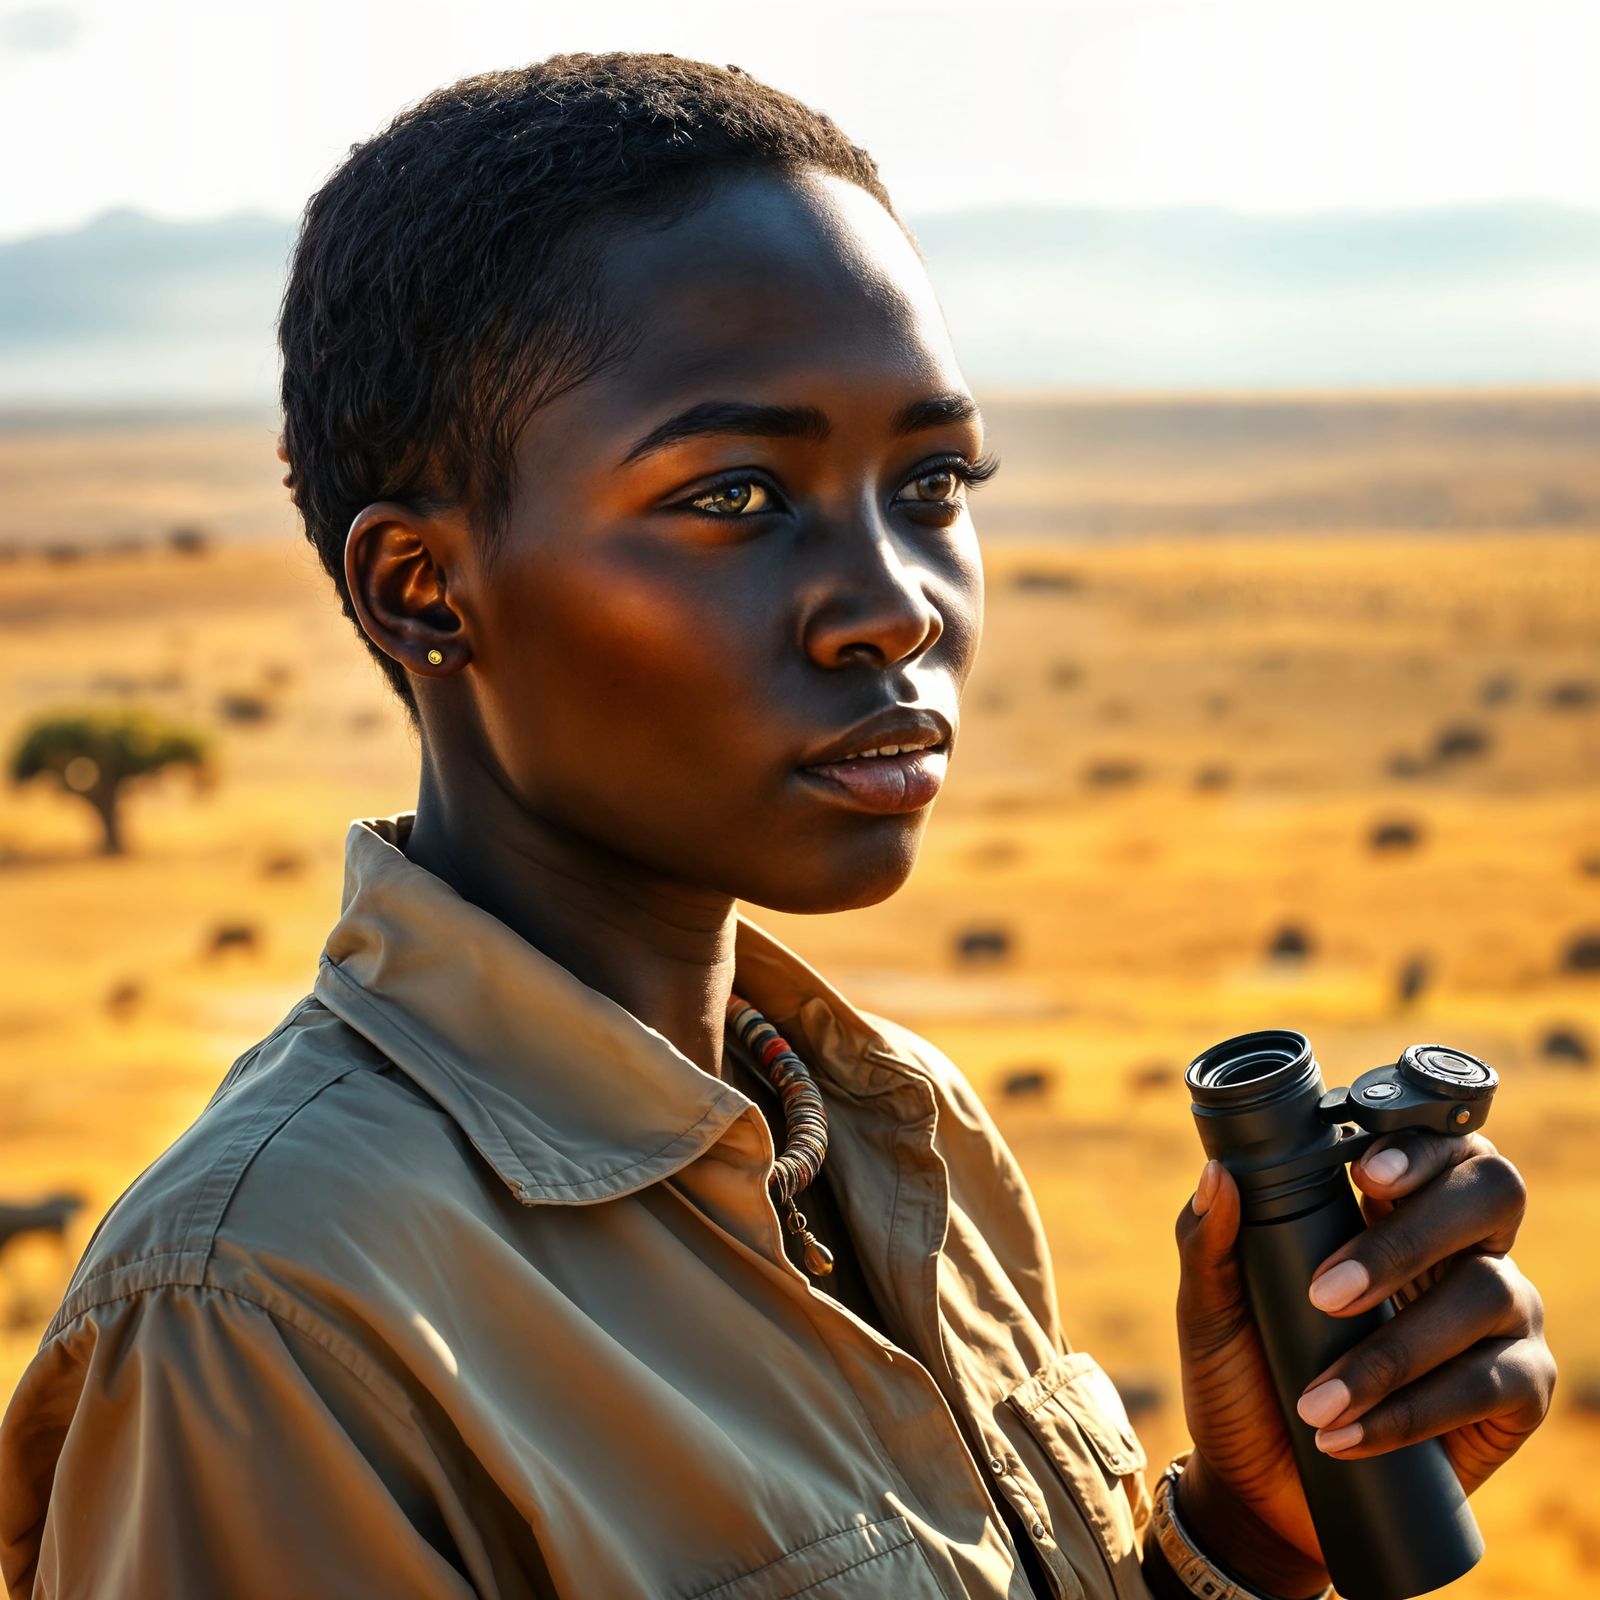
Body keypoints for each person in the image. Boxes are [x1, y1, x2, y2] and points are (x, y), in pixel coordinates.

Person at [0, 52, 1554, 1600]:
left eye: (935, 480)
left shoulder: (894, 1133)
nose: (894, 605)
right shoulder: (269, 1322)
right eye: (738, 495)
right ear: (426, 590)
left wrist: (1247, 1540)